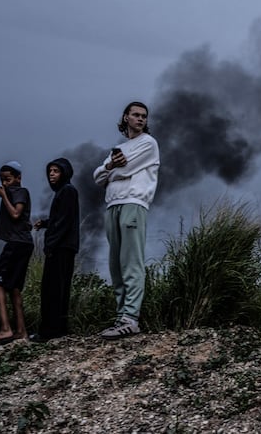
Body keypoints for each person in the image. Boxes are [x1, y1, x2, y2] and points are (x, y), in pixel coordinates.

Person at [93, 101, 160, 339]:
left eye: (144, 116)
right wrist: (111, 166)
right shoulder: (119, 147)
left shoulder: (148, 144)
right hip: (113, 205)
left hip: (134, 203)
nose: (140, 119)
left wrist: (112, 171)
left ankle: (131, 318)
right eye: (135, 115)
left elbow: (125, 169)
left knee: (131, 261)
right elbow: (98, 177)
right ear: (125, 118)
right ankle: (121, 315)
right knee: (116, 264)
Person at [31, 158, 80, 343]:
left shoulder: (67, 191)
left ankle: (48, 331)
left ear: (65, 173)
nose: (51, 174)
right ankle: (59, 329)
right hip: (65, 246)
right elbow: (60, 218)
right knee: (59, 289)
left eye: (56, 171)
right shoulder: (64, 192)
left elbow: (63, 222)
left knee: (52, 289)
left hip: (60, 247)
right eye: (50, 171)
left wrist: (50, 244)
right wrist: (45, 223)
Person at [0, 161, 34, 346]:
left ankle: (6, 329)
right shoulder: (15, 192)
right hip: (22, 243)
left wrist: (3, 195)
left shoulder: (19, 192)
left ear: (18, 178)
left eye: (8, 179)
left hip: (17, 244)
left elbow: (15, 214)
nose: (4, 183)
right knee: (14, 288)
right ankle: (21, 331)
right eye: (2, 180)